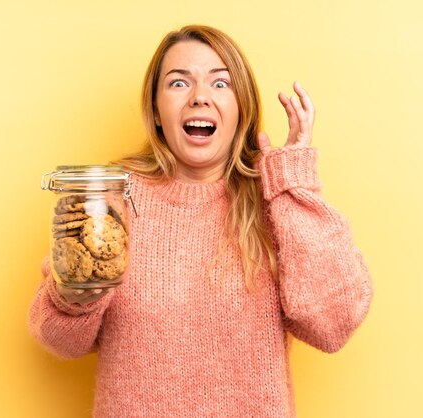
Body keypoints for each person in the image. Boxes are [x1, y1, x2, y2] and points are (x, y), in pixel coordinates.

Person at [29, 25, 374, 417]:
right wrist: (73, 301)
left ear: (241, 107)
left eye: (220, 83)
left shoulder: (275, 198)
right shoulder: (112, 196)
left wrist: (294, 183)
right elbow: (61, 340)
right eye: (178, 83)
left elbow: (333, 325)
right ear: (156, 111)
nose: (200, 98)